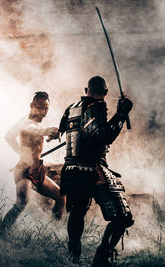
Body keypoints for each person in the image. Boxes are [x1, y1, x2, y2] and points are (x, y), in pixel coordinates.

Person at [58, 76, 134, 266]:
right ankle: (101, 259)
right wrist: (120, 114)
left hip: (71, 170)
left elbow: (67, 132)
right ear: (106, 92)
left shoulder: (71, 108)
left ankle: (73, 259)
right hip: (92, 170)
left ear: (86, 89)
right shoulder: (98, 106)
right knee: (123, 217)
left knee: (77, 213)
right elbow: (103, 137)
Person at [0, 91, 65, 235]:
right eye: (40, 108)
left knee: (61, 197)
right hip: (25, 171)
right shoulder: (27, 122)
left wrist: (22, 152)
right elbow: (33, 129)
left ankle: (55, 232)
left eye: (46, 109)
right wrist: (47, 131)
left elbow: (9, 137)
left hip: (37, 170)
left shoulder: (25, 121)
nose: (43, 112)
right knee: (21, 202)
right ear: (31, 105)